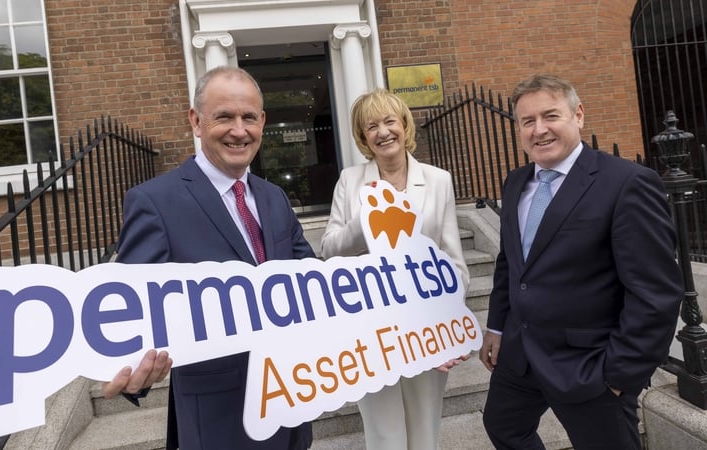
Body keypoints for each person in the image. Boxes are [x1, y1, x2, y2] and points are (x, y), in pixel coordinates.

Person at [101, 66, 315, 450]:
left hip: (290, 409)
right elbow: (131, 308)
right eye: (224, 117)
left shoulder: (275, 198)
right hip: (218, 421)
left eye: (249, 117)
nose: (239, 130)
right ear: (196, 122)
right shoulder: (154, 202)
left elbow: (316, 285)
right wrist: (130, 368)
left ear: (262, 122)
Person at [479, 74, 684, 449]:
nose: (539, 130)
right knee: (503, 427)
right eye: (527, 121)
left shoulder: (626, 182)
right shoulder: (515, 183)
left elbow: (655, 293)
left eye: (550, 116)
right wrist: (496, 327)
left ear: (579, 116)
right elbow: (511, 263)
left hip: (588, 366)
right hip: (520, 356)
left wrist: (619, 375)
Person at [320, 88, 471, 450]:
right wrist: (367, 218)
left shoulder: (438, 180)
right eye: (372, 126)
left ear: (404, 126)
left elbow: (453, 260)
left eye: (390, 121)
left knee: (424, 430)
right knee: (384, 433)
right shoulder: (350, 180)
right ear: (363, 137)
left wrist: (450, 321)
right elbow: (328, 250)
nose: (383, 132)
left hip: (424, 326)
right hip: (371, 329)